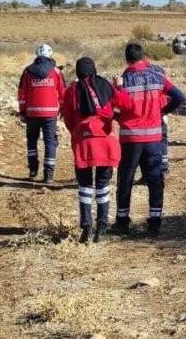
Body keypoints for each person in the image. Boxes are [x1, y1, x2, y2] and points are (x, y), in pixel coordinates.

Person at [113, 42, 185, 236]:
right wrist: (161, 111)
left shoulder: (124, 80)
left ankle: (122, 221)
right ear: (144, 57)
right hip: (154, 137)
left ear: (127, 59)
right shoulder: (158, 76)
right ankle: (155, 221)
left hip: (130, 139)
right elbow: (179, 97)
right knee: (154, 179)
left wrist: (119, 118)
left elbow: (115, 107)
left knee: (126, 179)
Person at [60, 57, 124, 243]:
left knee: (85, 186)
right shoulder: (105, 86)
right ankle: (102, 227)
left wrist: (79, 132)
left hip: (83, 141)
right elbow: (124, 104)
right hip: (105, 141)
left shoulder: (71, 90)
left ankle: (86, 227)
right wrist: (118, 87)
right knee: (103, 185)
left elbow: (69, 119)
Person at [17, 44, 66, 182]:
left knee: (32, 140)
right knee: (50, 142)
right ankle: (48, 175)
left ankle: (33, 169)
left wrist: (22, 110)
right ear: (50, 55)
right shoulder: (56, 71)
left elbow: (22, 93)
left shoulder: (27, 71)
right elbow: (63, 92)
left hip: (32, 113)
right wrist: (62, 108)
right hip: (50, 114)